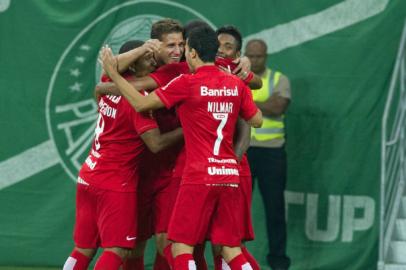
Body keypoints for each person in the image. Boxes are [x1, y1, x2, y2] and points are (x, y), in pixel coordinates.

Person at [101, 25, 262, 270]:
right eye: (172, 45)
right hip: (228, 174)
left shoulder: (185, 82)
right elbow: (257, 120)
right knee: (230, 247)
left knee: (180, 247)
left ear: (193, 52)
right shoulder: (234, 82)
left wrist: (113, 76)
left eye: (183, 46)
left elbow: (142, 104)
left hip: (197, 174)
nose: (179, 51)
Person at [62, 40, 183, 270]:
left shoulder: (108, 83)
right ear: (133, 66)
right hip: (115, 181)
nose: (154, 61)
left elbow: (110, 73)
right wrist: (187, 129)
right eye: (148, 58)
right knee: (117, 249)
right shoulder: (139, 99)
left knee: (83, 248)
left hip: (88, 175)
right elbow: (156, 143)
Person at [213, 25, 261, 270]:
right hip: (209, 170)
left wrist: (231, 163)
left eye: (228, 46)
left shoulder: (237, 76)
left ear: (238, 53)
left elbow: (247, 130)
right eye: (218, 44)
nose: (221, 49)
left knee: (229, 244)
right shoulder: (203, 69)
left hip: (232, 169)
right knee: (217, 243)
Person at [245, 38, 291, 270]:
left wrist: (246, 102)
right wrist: (264, 103)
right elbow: (270, 106)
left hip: (272, 154)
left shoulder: (278, 79)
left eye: (259, 56)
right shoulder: (237, 78)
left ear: (266, 56)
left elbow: (278, 108)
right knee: (237, 211)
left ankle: (279, 262)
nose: (254, 60)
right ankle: (235, 259)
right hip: (243, 152)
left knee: (275, 210)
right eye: (250, 56)